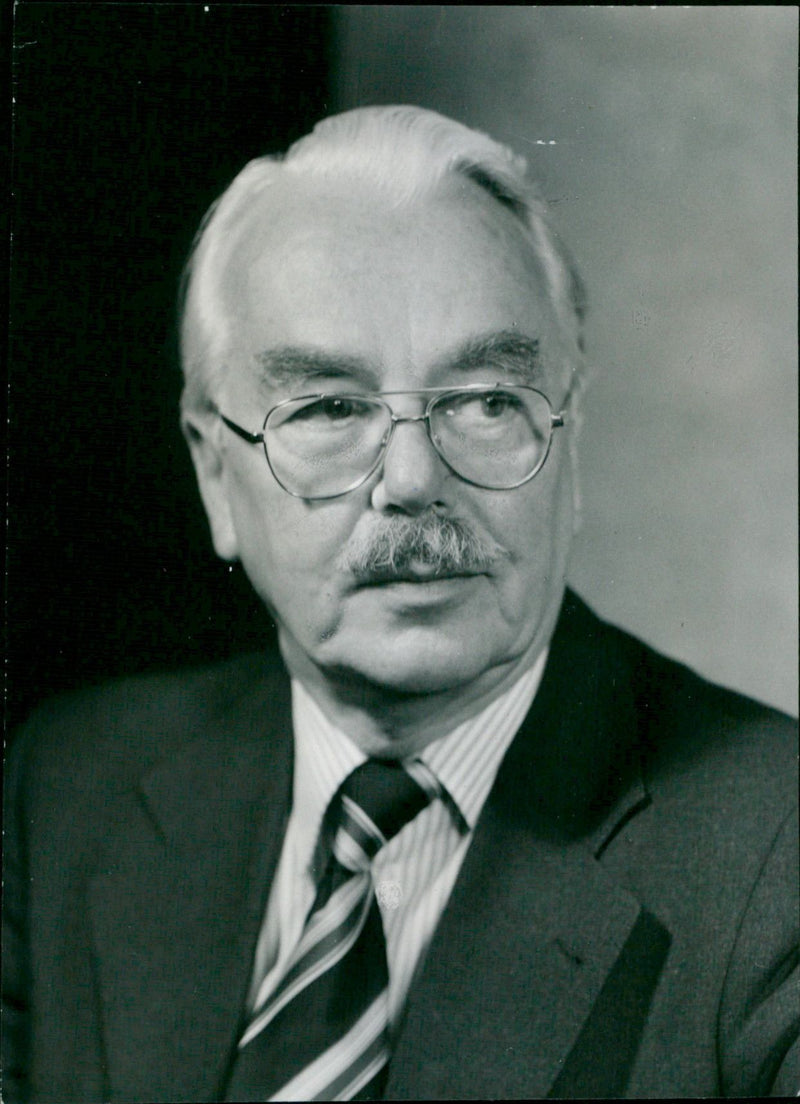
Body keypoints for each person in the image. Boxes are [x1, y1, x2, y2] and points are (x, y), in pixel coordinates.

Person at [3, 105, 797, 1103]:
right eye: (329, 408)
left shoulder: (776, 851)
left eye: (485, 400)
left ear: (571, 443)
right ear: (214, 474)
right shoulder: (71, 786)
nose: (414, 478)